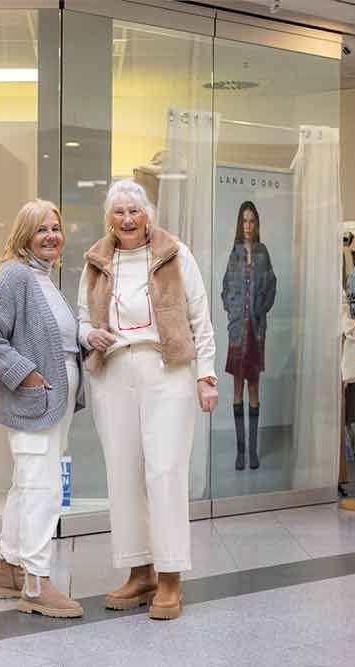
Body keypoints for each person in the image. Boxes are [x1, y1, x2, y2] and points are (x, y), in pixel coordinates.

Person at [78, 179, 217, 621]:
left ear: (147, 215)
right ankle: (141, 570)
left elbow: (200, 315)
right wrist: (88, 334)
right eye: (118, 212)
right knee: (124, 471)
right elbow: (82, 317)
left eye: (133, 211)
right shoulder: (97, 260)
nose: (126, 219)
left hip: (167, 370)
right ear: (109, 218)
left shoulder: (175, 254)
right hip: (114, 371)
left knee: (165, 469)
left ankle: (171, 576)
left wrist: (207, 375)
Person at [0, 198, 85, 619]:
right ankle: (36, 583)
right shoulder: (14, 276)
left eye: (56, 228)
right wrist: (27, 375)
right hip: (33, 399)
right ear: (24, 235)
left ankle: (8, 568)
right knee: (43, 489)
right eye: (42, 229)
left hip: (51, 403)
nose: (51, 236)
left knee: (28, 484)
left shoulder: (43, 279)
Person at [221, 201, 277, 470]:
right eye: (244, 221)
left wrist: (259, 310)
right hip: (237, 332)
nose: (247, 226)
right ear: (239, 224)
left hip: (256, 330)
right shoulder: (234, 253)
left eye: (251, 221)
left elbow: (271, 288)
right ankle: (240, 452)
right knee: (237, 389)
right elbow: (225, 289)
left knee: (253, 386)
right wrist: (234, 314)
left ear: (257, 224)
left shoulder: (264, 253)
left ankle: (253, 452)